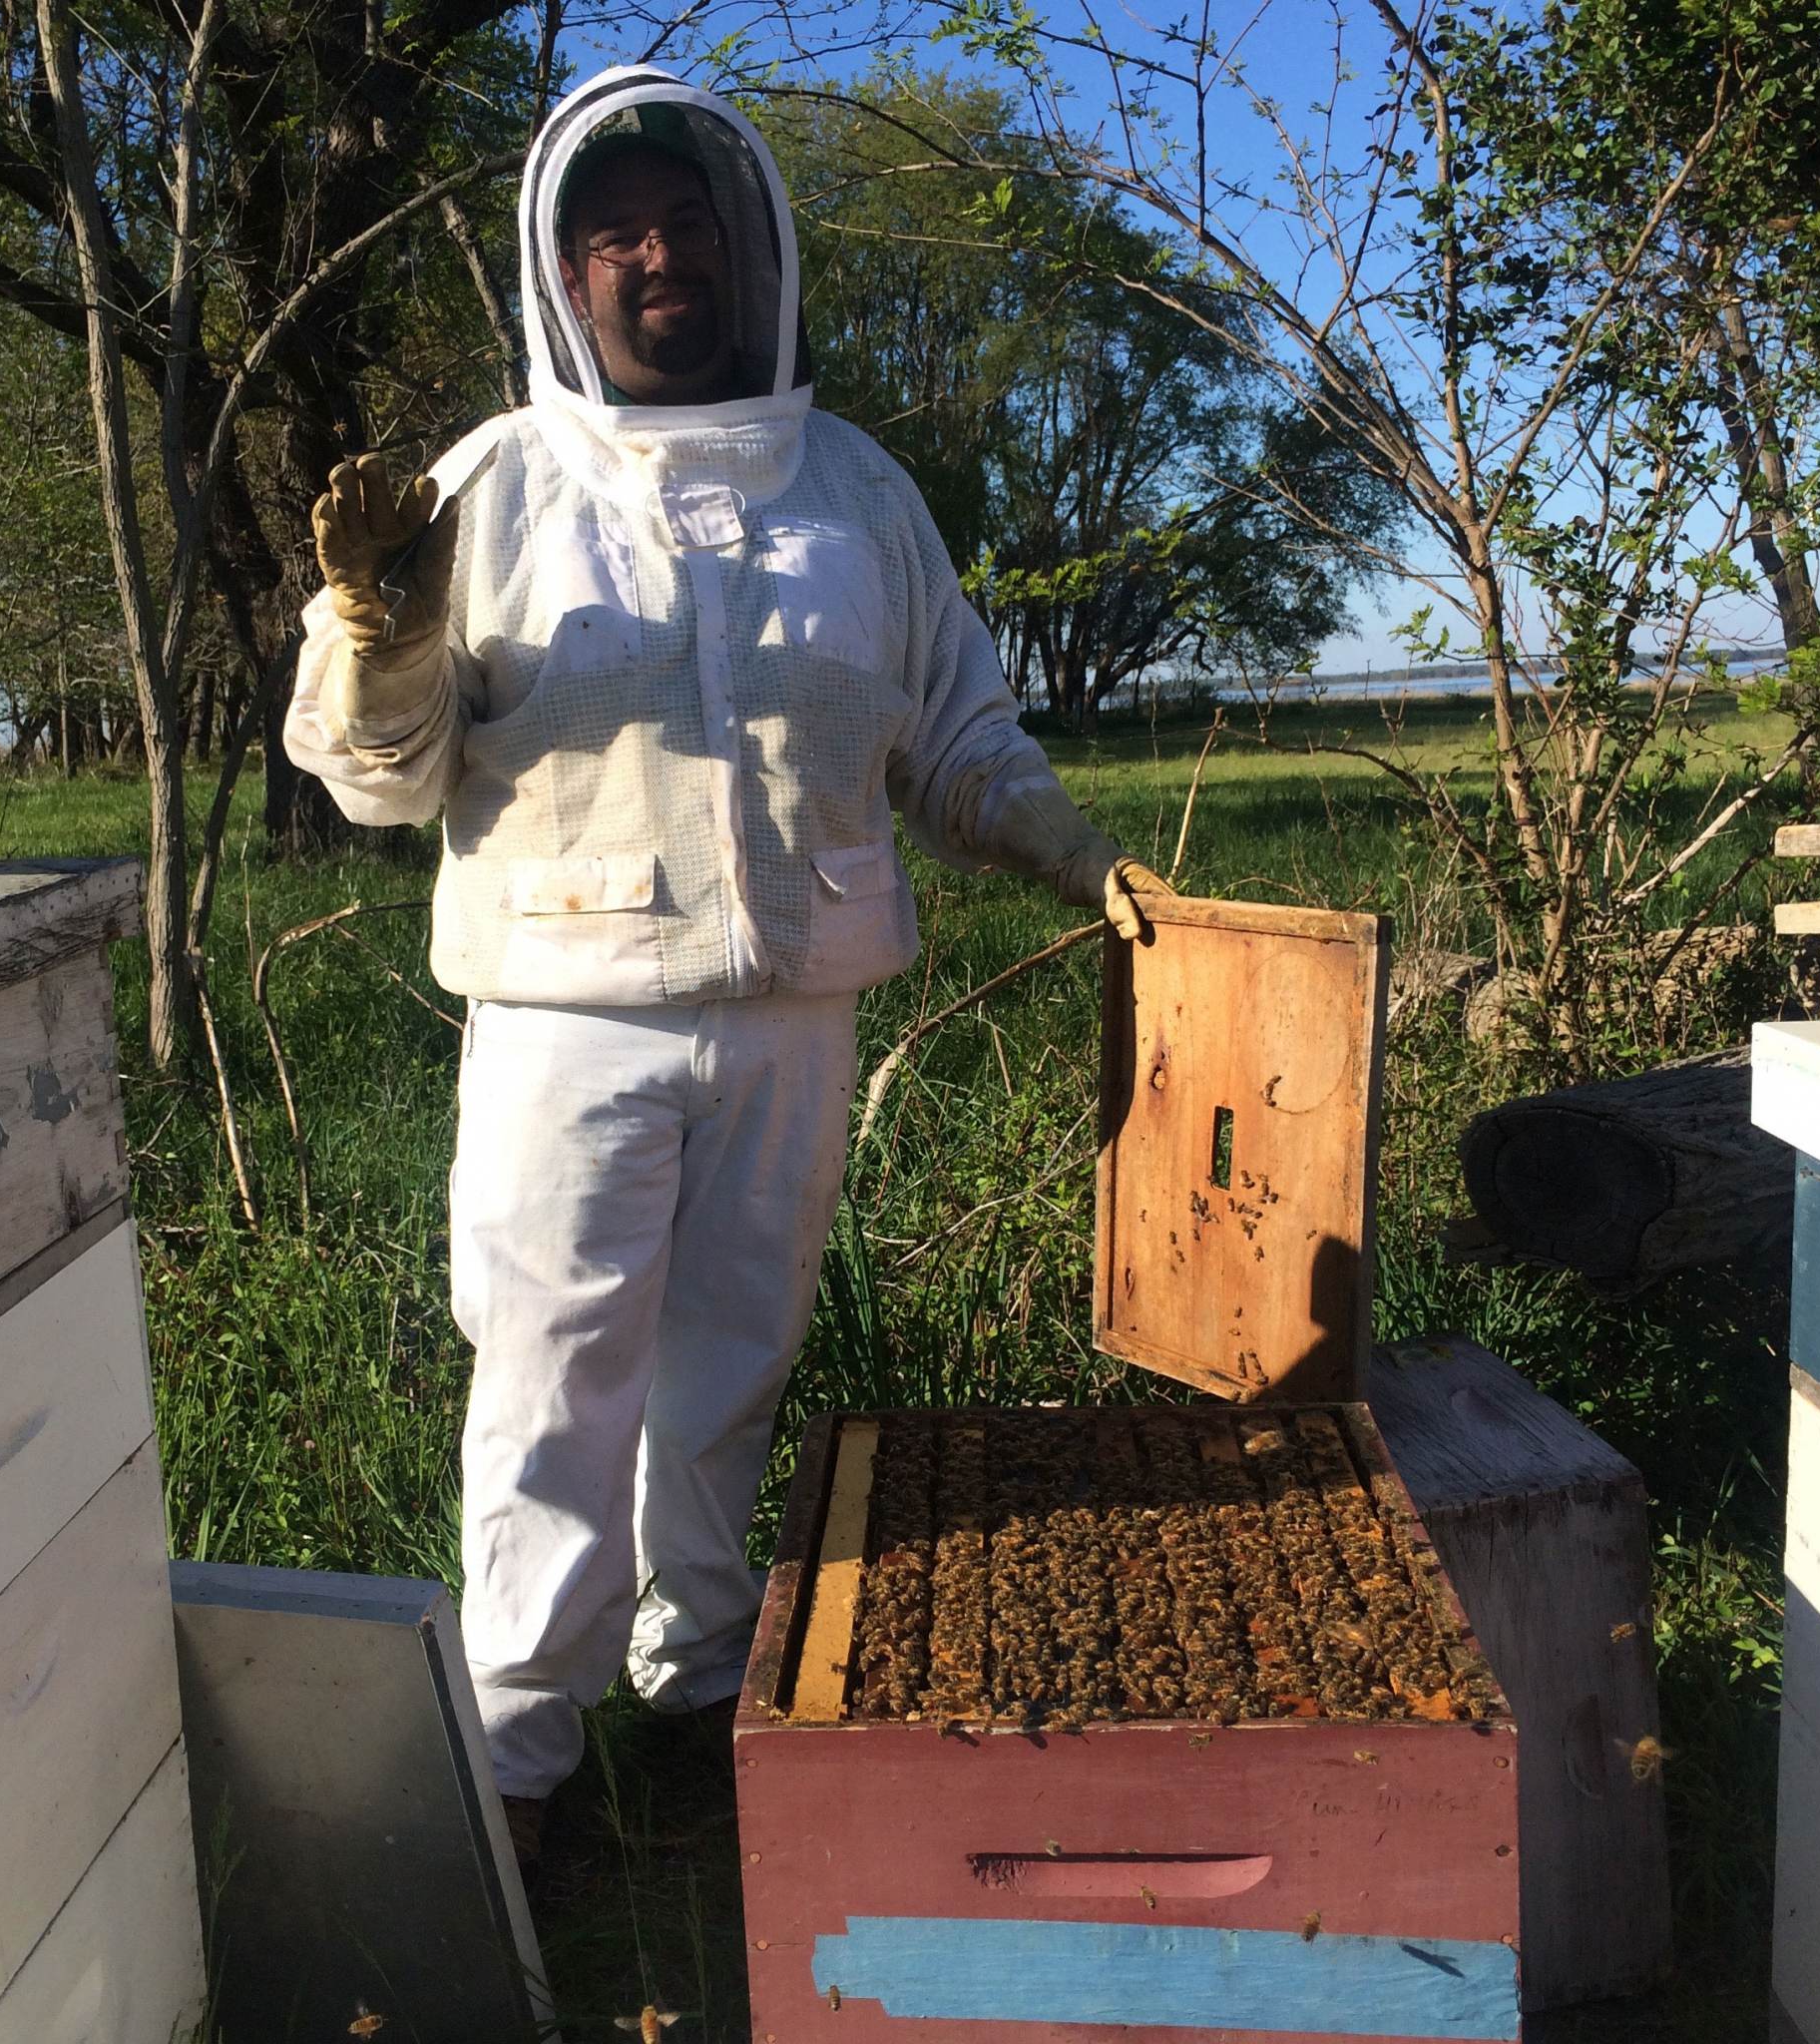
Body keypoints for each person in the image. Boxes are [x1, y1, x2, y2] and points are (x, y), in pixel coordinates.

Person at [285, 66, 1168, 1857]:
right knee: (548, 1379)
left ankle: (697, 1696)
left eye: (688, 223)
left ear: (748, 247)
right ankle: (524, 1763)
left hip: (796, 1014)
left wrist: (1080, 854)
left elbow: (955, 735)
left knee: (731, 1368)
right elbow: (378, 779)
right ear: (564, 271)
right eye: (618, 234)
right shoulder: (495, 484)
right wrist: (381, 625)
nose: (658, 256)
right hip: (566, 1025)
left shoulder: (857, 493)